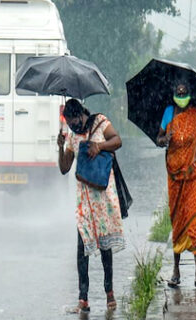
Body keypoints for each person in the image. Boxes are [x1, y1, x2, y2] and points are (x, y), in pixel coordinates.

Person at [57, 98, 125, 314]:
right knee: (82, 248)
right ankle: (83, 298)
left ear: (81, 115)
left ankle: (109, 293)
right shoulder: (71, 136)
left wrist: (99, 146)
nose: (73, 126)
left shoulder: (100, 122)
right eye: (68, 123)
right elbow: (65, 168)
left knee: (105, 247)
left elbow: (117, 140)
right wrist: (61, 148)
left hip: (102, 196)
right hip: (83, 200)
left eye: (74, 121)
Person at [156, 83, 196, 289]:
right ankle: (176, 270)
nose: (181, 96)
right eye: (178, 94)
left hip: (194, 174)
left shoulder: (195, 114)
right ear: (173, 96)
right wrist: (164, 139)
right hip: (175, 176)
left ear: (189, 95)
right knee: (177, 221)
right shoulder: (168, 113)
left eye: (184, 93)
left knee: (194, 220)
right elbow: (159, 138)